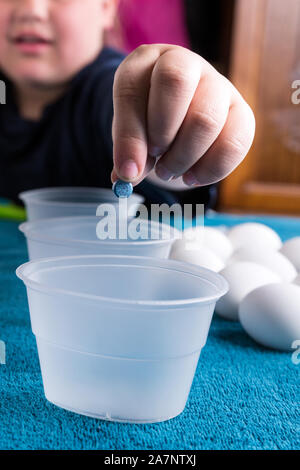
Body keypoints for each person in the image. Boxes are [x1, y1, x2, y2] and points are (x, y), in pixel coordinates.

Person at [0, 0, 255, 210]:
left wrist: (173, 135)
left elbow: (128, 109)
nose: (31, 8)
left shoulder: (106, 86)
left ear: (106, 9)